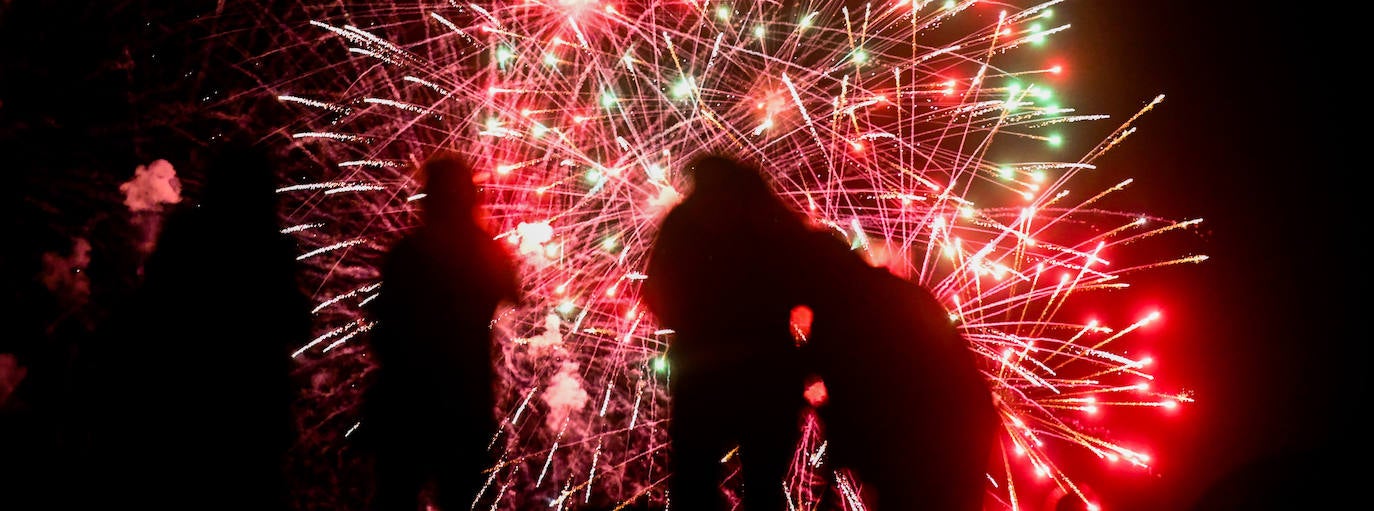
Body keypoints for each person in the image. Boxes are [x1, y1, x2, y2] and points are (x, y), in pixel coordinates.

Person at [88, 140, 311, 510]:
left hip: (186, 412)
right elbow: (295, 323)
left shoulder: (188, 234)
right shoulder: (271, 249)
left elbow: (153, 306)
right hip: (249, 417)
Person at [643, 154, 812, 511]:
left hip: (704, 368)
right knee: (765, 484)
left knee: (694, 478)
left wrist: (691, 326)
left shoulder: (685, 220)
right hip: (769, 368)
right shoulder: (774, 221)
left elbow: (655, 290)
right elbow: (817, 286)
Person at [360, 153, 521, 511]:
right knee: (460, 498)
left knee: (396, 496)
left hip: (407, 401)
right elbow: (513, 296)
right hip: (464, 400)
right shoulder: (484, 252)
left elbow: (381, 325)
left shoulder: (409, 253)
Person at [799, 226, 998, 511]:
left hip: (935, 440)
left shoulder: (847, 309)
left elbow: (838, 385)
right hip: (958, 429)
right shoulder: (889, 295)